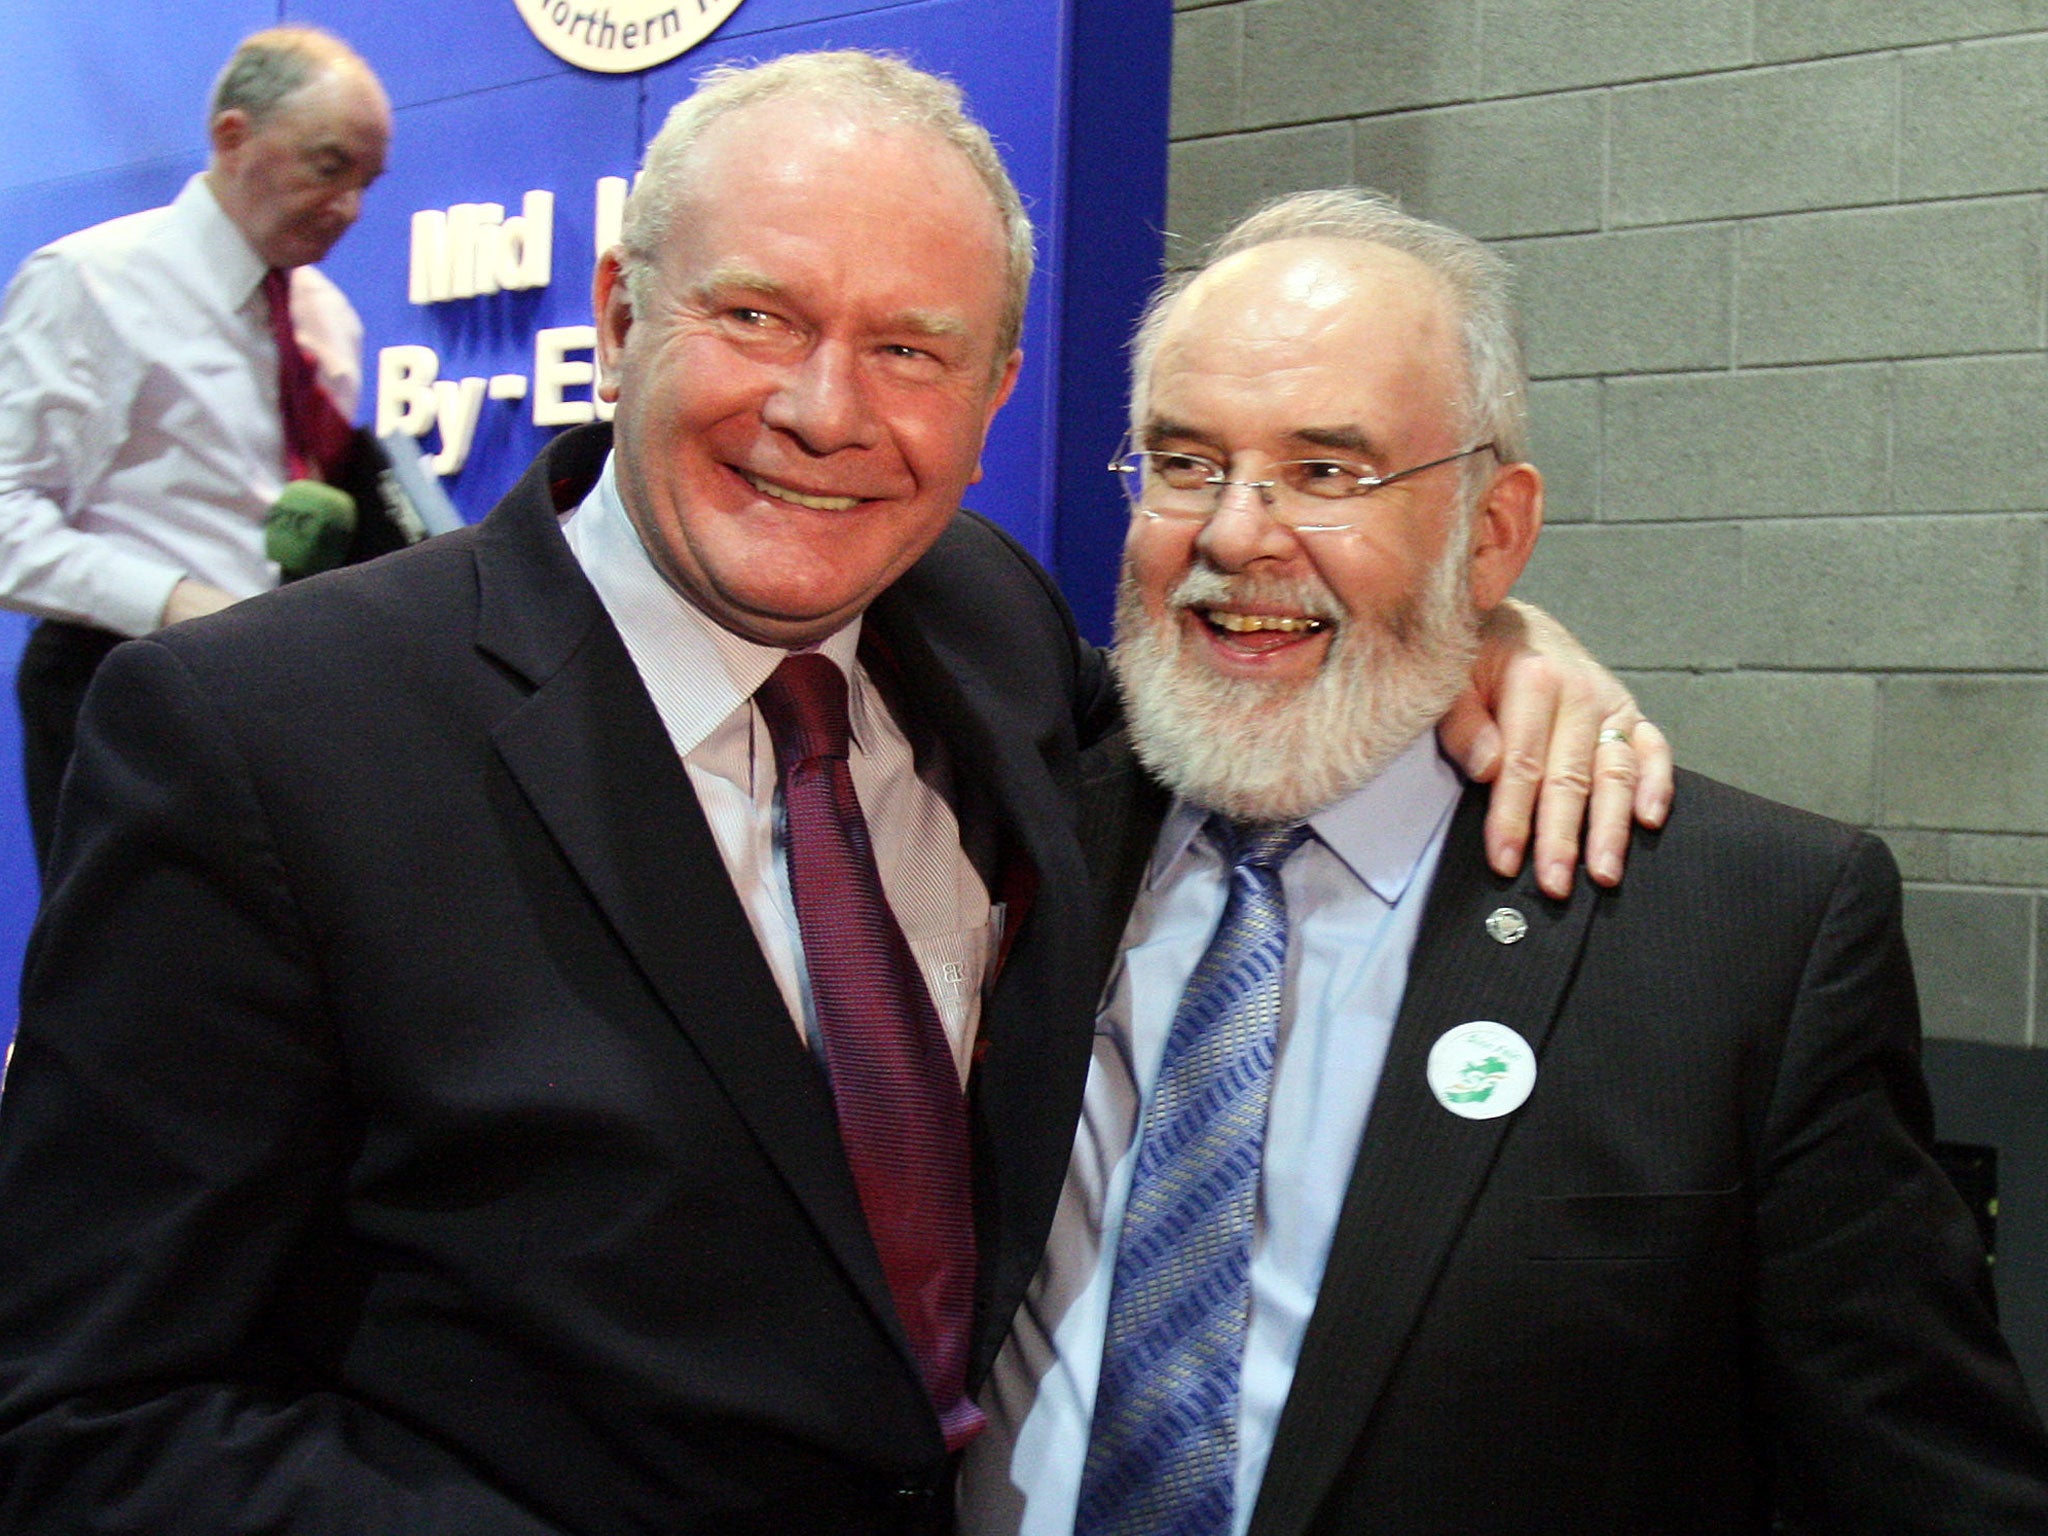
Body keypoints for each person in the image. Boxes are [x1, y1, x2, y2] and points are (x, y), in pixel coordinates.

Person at [0, 56, 1663, 1535]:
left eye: (909, 348)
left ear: (996, 390)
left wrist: (1485, 632)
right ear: (617, 311)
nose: (822, 412)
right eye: (757, 315)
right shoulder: (257, 736)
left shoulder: (988, 628)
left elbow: (1247, 698)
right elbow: (87, 1418)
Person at [960, 190, 2048, 1536]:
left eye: (1327, 472)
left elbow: (1924, 1486)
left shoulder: (1746, 935)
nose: (1236, 534)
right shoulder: (1008, 802)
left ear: (1492, 532)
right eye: (1185, 463)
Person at [0, 26, 391, 871]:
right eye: (328, 167)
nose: (349, 209)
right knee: (128, 980)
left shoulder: (328, 318)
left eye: (367, 182)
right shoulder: (91, 281)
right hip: (121, 680)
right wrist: (176, 602)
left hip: (274, 693)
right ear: (232, 137)